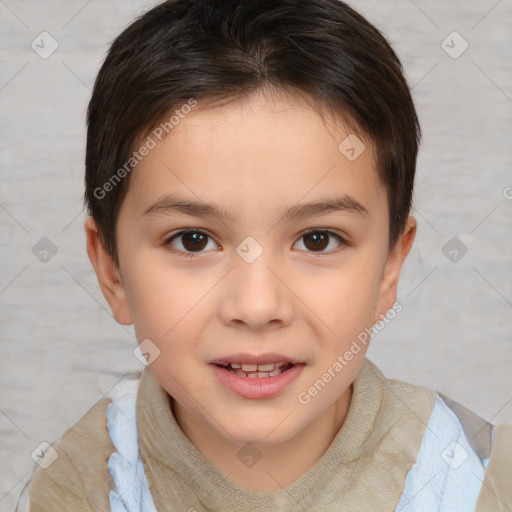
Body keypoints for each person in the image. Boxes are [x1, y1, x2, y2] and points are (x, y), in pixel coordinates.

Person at [27, 0, 512, 510]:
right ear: (112, 272)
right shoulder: (82, 485)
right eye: (193, 240)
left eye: (318, 239)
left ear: (390, 266)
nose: (257, 306)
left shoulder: (479, 481)